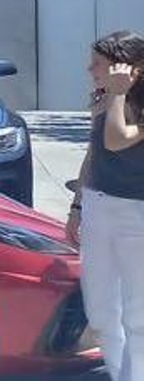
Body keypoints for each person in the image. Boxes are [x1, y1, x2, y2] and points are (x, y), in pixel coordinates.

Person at [72, 31, 144, 381]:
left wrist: (119, 94)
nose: (90, 69)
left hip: (137, 214)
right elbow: (95, 152)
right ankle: (121, 374)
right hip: (99, 206)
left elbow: (116, 140)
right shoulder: (103, 97)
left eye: (98, 63)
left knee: (137, 315)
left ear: (130, 68)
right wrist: (77, 207)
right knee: (101, 312)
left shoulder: (130, 102)